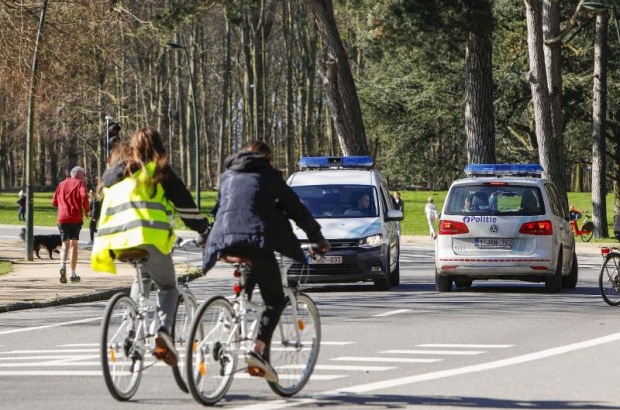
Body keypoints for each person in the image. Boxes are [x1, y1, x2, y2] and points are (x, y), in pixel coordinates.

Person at [204, 140, 330, 383]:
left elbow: (221, 209)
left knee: (248, 280)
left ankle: (235, 314)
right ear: (266, 159)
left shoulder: (227, 176)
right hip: (256, 240)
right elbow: (296, 209)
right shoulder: (269, 176)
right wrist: (317, 238)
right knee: (274, 299)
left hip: (223, 240)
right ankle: (257, 350)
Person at [91, 128, 209, 367]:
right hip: (149, 237)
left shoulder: (117, 172)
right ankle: (163, 332)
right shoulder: (159, 170)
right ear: (159, 147)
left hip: (115, 240)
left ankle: (132, 332)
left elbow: (100, 201)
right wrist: (204, 230)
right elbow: (185, 206)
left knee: (140, 280)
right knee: (167, 287)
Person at [52, 166, 90, 284]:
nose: (84, 177)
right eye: (83, 175)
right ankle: (73, 275)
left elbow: (54, 202)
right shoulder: (80, 184)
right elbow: (84, 196)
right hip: (75, 218)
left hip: (62, 218)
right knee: (74, 245)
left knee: (65, 245)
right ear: (79, 174)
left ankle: (62, 266)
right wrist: (87, 210)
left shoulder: (61, 184)